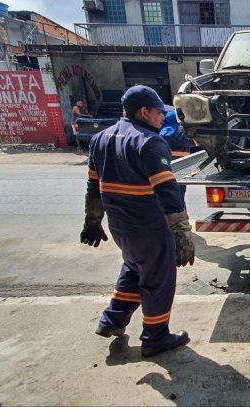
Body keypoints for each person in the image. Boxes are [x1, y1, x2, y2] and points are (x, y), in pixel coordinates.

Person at [81, 85, 196, 357]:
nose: (161, 118)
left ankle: (112, 321)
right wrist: (182, 233)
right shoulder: (150, 142)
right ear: (144, 112)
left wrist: (92, 222)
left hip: (120, 227)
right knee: (158, 280)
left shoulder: (100, 139)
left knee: (134, 270)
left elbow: (93, 187)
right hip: (150, 227)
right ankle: (156, 337)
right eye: (158, 113)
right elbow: (168, 191)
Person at [159, 111, 192, 199]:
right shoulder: (178, 132)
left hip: (165, 167)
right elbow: (195, 142)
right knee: (179, 196)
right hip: (180, 168)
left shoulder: (162, 131)